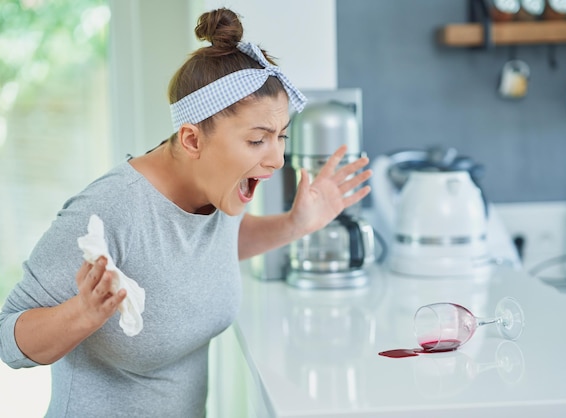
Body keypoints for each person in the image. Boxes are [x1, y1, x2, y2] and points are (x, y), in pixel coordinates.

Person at [0, 8, 371, 418]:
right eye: (256, 140)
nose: (278, 159)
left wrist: (296, 225)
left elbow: (204, 253)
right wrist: (82, 313)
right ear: (193, 139)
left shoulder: (219, 189)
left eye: (280, 137)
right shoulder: (109, 211)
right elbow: (8, 341)